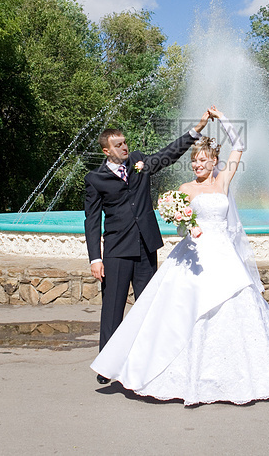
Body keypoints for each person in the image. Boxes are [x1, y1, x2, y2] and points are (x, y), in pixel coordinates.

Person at [91, 107, 269, 405]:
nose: (197, 165)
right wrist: (186, 225)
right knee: (164, 311)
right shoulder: (184, 188)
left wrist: (220, 119)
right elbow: (180, 224)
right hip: (185, 254)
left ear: (214, 161)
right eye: (195, 161)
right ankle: (118, 364)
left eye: (203, 160)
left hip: (223, 255)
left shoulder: (223, 181)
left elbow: (238, 145)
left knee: (231, 311)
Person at [84, 111, 210, 384]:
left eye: (125, 143)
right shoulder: (95, 179)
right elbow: (92, 220)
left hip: (146, 247)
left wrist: (196, 130)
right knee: (113, 309)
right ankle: (107, 365)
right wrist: (95, 258)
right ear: (107, 150)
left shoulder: (139, 161)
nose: (125, 147)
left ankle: (148, 362)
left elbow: (169, 153)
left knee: (149, 307)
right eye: (118, 145)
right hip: (117, 250)